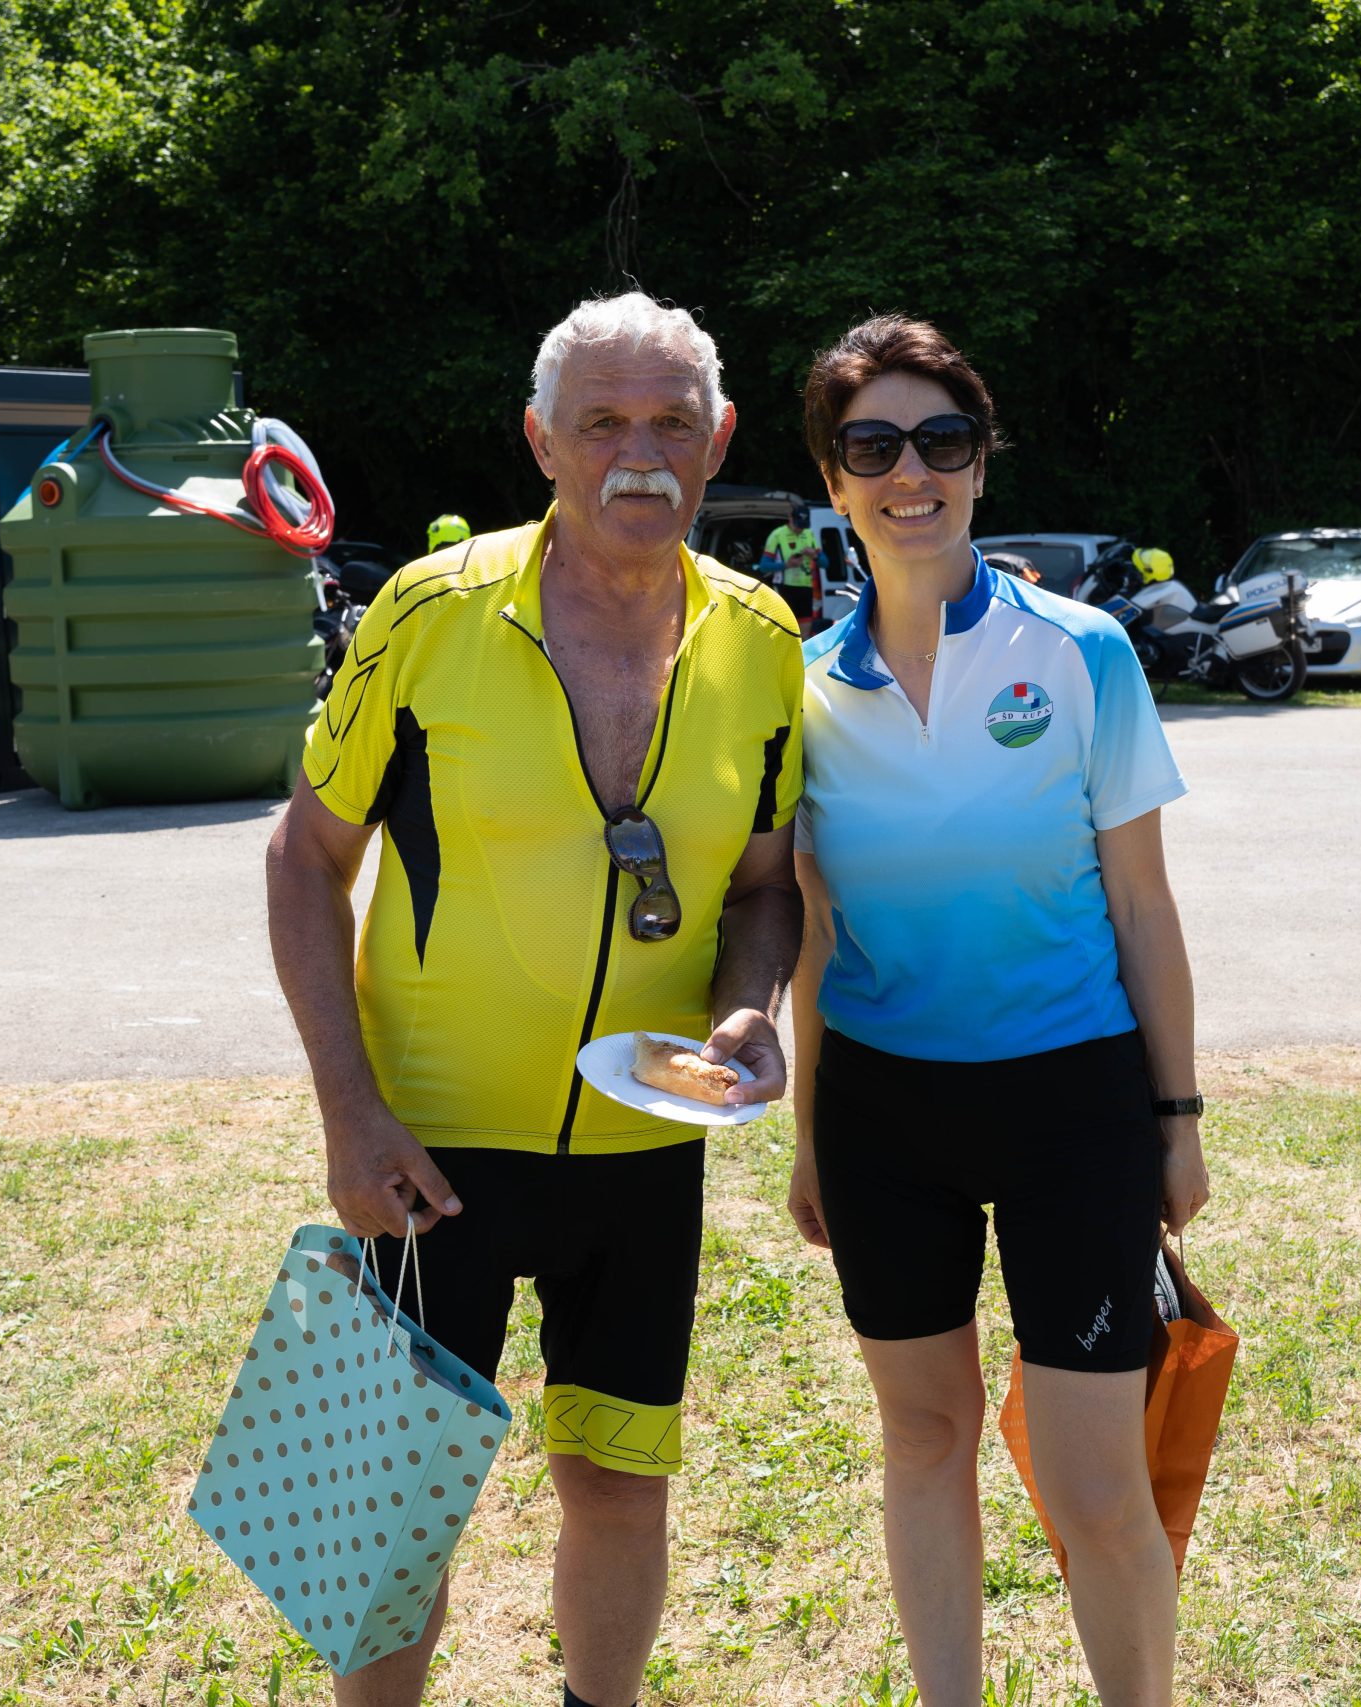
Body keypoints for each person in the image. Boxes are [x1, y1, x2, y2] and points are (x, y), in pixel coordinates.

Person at [266, 292, 806, 1707]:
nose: (641, 454)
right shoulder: (430, 611)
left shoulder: (763, 636)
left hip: (643, 1148)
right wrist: (349, 1113)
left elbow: (765, 884)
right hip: (428, 1150)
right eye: (603, 422)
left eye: (673, 423)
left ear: (720, 440)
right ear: (541, 442)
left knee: (620, 1487)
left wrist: (753, 1006)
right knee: (394, 1500)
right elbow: (306, 857)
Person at [782, 316, 1208, 1706]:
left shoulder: (1083, 651)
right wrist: (807, 1137)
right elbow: (813, 932)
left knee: (1095, 1484)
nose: (911, 473)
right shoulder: (800, 690)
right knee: (923, 1439)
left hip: (1072, 1104)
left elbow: (1141, 903)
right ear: (834, 482)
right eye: (872, 447)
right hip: (883, 1114)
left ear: (980, 462)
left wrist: (1177, 1118)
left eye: (942, 441)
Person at [764, 499, 821, 629]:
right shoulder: (777, 535)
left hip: (805, 588)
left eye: (803, 526)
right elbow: (764, 566)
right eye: (798, 525)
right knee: (784, 629)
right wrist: (787, 565)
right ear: (790, 518)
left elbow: (825, 563)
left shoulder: (809, 534)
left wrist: (815, 555)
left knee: (805, 631)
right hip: (784, 588)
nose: (800, 529)